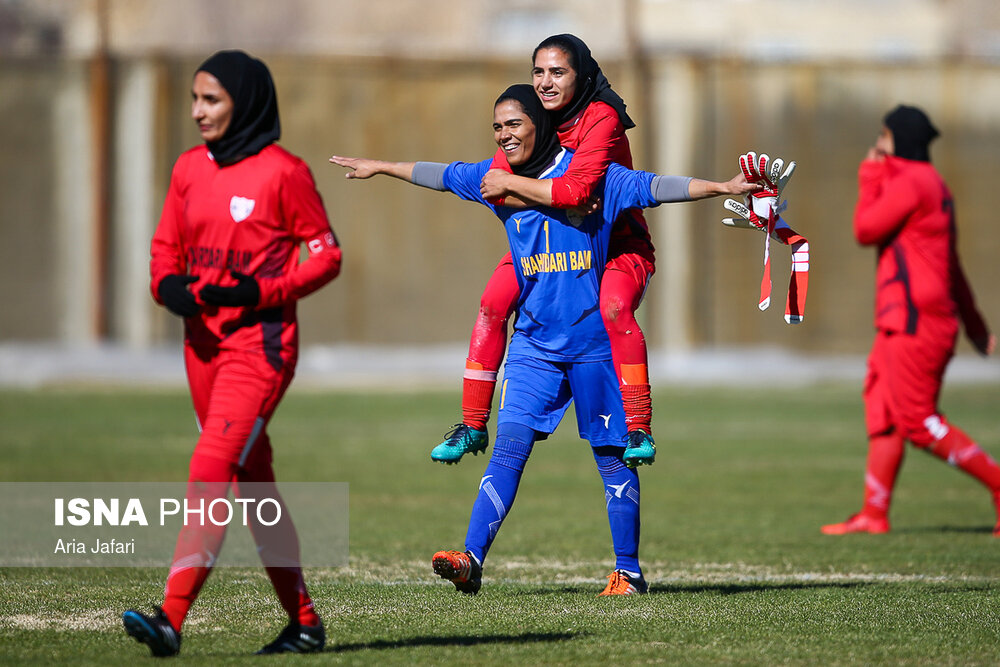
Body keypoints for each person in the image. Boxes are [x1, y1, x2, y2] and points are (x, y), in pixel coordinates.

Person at [331, 84, 755, 595]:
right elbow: (440, 176)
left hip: (595, 348)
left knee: (612, 459)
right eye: (497, 127)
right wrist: (380, 165)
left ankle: (629, 572)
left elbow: (659, 187)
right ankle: (471, 560)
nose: (504, 135)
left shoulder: (592, 178)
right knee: (508, 450)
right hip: (533, 345)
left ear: (541, 125)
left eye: (514, 124)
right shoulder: (495, 180)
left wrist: (725, 187)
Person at [122, 50, 341, 656]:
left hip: (260, 350)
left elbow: (326, 255)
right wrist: (167, 287)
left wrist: (260, 290)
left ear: (244, 103)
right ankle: (304, 623)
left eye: (211, 100)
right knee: (254, 486)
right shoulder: (189, 168)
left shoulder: (283, 173)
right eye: (194, 99)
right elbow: (165, 247)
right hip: (201, 350)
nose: (197, 112)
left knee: (211, 466)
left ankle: (170, 617)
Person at [431, 34, 660, 469]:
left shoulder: (601, 116)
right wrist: (381, 166)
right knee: (492, 302)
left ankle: (639, 427)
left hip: (611, 243)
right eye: (538, 71)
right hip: (554, 242)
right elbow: (492, 183)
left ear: (581, 74)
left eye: (558, 72)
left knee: (613, 306)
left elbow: (576, 192)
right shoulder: (536, 117)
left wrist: (725, 187)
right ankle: (472, 425)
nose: (546, 82)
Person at [822, 104, 999, 536]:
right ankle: (874, 513)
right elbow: (950, 265)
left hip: (916, 321)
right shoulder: (931, 183)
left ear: (897, 139)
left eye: (883, 137)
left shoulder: (912, 182)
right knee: (882, 411)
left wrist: (870, 176)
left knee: (918, 422)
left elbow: (865, 229)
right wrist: (975, 327)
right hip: (907, 319)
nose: (877, 147)